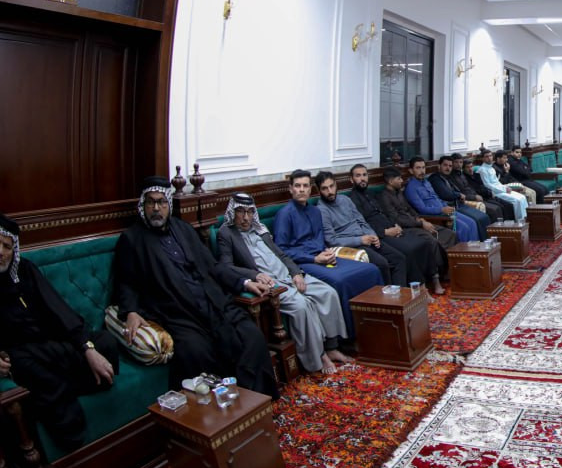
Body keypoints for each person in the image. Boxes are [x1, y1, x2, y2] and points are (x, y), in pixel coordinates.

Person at [113, 177, 278, 398]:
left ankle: (255, 403)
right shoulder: (132, 239)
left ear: (168, 204)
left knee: (251, 336)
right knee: (196, 352)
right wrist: (131, 311)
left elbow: (213, 266)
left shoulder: (183, 229)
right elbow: (126, 281)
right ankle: (217, 412)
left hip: (213, 303)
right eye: (151, 202)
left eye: (161, 202)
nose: (156, 208)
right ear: (143, 206)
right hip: (178, 313)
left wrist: (244, 282)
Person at [1, 213, 120, 451]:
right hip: (22, 354)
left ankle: (52, 389)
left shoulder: (25, 269)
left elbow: (58, 310)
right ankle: (73, 440)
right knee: (26, 365)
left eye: (6, 246)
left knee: (105, 343)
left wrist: (87, 347)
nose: (0, 252)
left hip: (52, 346)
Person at [216, 194, 351, 374]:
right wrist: (255, 275)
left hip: (289, 275)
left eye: (250, 212)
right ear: (233, 212)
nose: (246, 217)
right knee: (302, 306)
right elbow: (225, 266)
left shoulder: (260, 229)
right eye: (241, 212)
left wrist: (296, 273)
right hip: (272, 283)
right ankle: (318, 357)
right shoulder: (226, 233)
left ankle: (332, 347)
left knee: (328, 293)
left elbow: (281, 254)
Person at [273, 169, 384, 338]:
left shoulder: (315, 211)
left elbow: (320, 239)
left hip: (324, 256)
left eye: (305, 186)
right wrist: (314, 258)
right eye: (297, 186)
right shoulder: (284, 214)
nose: (301, 189)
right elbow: (282, 250)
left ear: (310, 189)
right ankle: (353, 335)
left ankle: (379, 323)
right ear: (290, 189)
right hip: (304, 262)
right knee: (341, 281)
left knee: (371, 270)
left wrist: (325, 252)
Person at [348, 165, 445, 294]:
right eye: (358, 176)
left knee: (424, 243)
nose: (362, 178)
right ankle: (420, 290)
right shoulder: (351, 199)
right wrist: (385, 232)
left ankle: (434, 281)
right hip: (379, 235)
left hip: (392, 227)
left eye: (364, 175)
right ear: (351, 180)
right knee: (409, 250)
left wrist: (395, 225)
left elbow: (385, 213)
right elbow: (361, 223)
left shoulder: (371, 194)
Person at [315, 170, 408, 285]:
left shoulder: (345, 200)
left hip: (366, 238)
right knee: (382, 263)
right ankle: (387, 295)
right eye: (325, 188)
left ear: (336, 184)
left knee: (399, 258)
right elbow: (331, 241)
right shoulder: (321, 210)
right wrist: (360, 240)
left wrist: (373, 235)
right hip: (352, 245)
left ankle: (400, 294)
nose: (330, 191)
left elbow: (361, 221)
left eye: (331, 186)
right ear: (319, 190)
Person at [377, 166, 457, 276]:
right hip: (406, 228)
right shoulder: (384, 197)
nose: (402, 181)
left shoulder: (398, 192)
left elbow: (410, 208)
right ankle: (439, 274)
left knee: (450, 234)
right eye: (399, 179)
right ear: (390, 181)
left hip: (416, 222)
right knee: (431, 241)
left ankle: (453, 268)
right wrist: (420, 223)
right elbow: (396, 219)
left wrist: (419, 218)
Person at [406, 156, 480, 241]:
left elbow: (436, 198)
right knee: (464, 228)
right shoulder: (411, 188)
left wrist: (446, 206)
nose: (422, 171)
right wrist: (441, 209)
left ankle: (476, 248)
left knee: (472, 223)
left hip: (446, 210)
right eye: (418, 168)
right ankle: (466, 249)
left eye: (423, 167)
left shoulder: (426, 182)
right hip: (436, 216)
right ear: (411, 170)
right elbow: (422, 209)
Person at [431, 155, 499, 227]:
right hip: (451, 207)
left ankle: (495, 232)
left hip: (460, 203)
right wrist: (459, 195)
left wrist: (460, 195)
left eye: (450, 166)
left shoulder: (447, 177)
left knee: (484, 217)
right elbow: (446, 194)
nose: (448, 168)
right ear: (439, 166)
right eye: (445, 165)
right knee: (474, 221)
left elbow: (457, 190)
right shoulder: (436, 178)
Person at [477, 149, 528, 221]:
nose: (489, 158)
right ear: (483, 158)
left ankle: (527, 218)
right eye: (486, 156)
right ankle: (519, 221)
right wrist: (504, 189)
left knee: (522, 197)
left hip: (501, 189)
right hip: (495, 192)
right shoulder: (482, 170)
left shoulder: (491, 168)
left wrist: (505, 187)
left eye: (490, 156)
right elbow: (488, 185)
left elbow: (497, 182)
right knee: (517, 200)